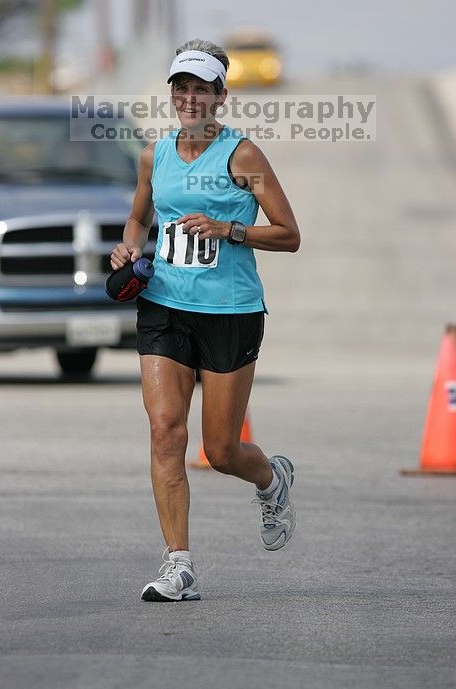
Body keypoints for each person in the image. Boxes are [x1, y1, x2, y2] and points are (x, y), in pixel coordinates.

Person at [110, 38, 301, 602]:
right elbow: (137, 218)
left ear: (220, 95)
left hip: (230, 313)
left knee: (221, 450)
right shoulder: (155, 154)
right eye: (181, 87)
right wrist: (128, 249)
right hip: (164, 306)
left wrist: (230, 229)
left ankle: (271, 479)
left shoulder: (242, 156)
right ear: (172, 93)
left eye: (201, 88)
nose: (189, 98)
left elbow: (289, 233)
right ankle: (179, 564)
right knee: (166, 432)